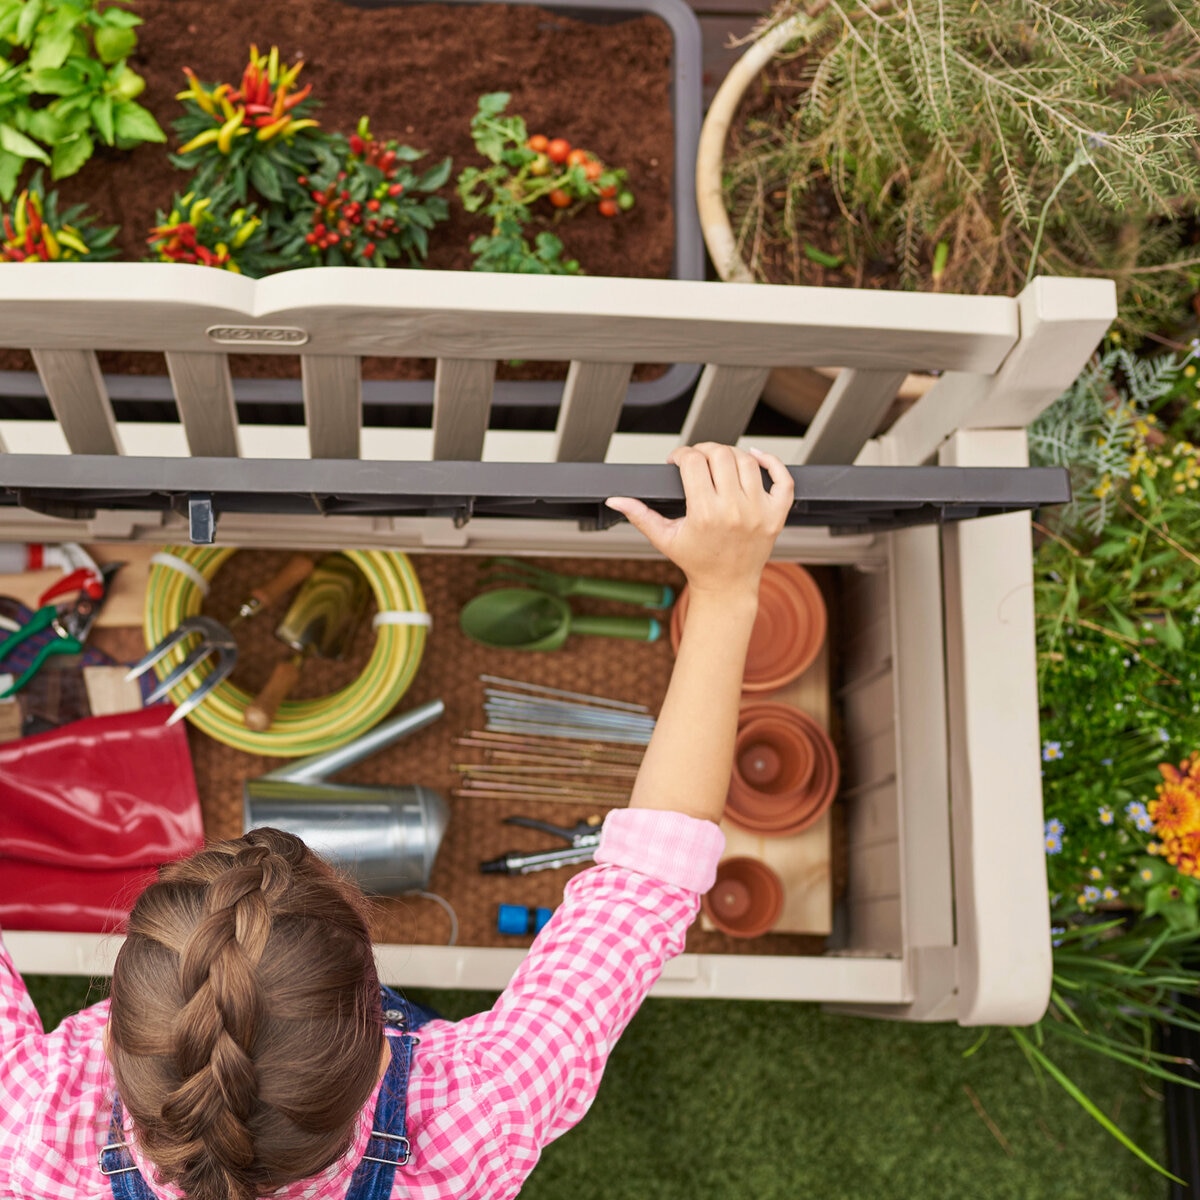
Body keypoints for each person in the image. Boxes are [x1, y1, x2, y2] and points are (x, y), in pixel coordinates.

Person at [0, 442, 794, 1200]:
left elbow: (648, 886)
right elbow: (646, 883)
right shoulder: (472, 1122)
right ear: (377, 1038)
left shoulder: (28, 1127)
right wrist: (726, 590)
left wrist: (725, 594)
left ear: (111, 1044)